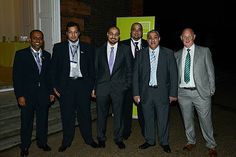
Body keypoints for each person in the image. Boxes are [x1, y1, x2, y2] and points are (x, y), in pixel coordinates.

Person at [50, 21, 98, 152]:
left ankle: (89, 139)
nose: (73, 34)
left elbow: (92, 70)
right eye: (70, 32)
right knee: (67, 115)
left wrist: (93, 86)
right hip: (66, 86)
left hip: (83, 85)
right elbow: (53, 69)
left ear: (79, 33)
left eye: (75, 32)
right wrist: (55, 87)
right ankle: (66, 141)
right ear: (66, 34)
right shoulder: (58, 48)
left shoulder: (88, 48)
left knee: (85, 114)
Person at [133, 30, 178, 153]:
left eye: (155, 37)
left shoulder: (168, 53)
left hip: (162, 92)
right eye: (150, 38)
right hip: (146, 92)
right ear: (147, 40)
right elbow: (135, 75)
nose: (152, 40)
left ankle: (164, 142)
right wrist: (136, 93)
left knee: (163, 119)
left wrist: (173, 93)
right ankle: (150, 140)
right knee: (148, 119)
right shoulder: (141, 54)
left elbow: (174, 75)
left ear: (159, 39)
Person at [175, 28, 217, 157]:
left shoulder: (204, 51)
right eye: (184, 36)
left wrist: (211, 89)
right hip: (183, 93)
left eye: (189, 36)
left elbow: (211, 71)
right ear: (181, 38)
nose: (187, 38)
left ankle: (211, 145)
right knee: (187, 120)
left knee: (205, 121)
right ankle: (190, 141)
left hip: (201, 93)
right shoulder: (176, 54)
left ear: (194, 36)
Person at [13, 30, 54, 157]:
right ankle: (25, 145)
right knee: (26, 122)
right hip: (27, 95)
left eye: (40, 38)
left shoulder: (47, 55)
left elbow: (49, 77)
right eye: (35, 38)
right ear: (30, 40)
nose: (37, 40)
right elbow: (17, 77)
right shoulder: (21, 55)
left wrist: (51, 92)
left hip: (43, 95)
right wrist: (19, 95)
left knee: (43, 121)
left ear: (43, 41)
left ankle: (42, 142)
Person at [92, 26, 132, 149]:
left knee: (119, 114)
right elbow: (95, 71)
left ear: (119, 36)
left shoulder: (125, 50)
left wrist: (126, 86)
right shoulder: (99, 50)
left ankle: (118, 138)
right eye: (111, 33)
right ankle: (101, 138)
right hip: (102, 88)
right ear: (107, 34)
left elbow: (130, 70)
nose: (113, 36)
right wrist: (94, 88)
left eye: (116, 34)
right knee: (101, 114)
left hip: (119, 88)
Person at [120, 22, 148, 139]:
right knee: (126, 109)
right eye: (134, 29)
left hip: (142, 84)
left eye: (139, 29)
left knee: (143, 109)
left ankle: (145, 131)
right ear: (130, 31)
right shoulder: (122, 45)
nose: (136, 32)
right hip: (126, 83)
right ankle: (126, 131)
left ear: (142, 32)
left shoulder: (148, 44)